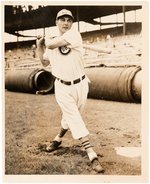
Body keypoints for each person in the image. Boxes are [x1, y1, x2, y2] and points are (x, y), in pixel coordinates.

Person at [36, 9, 104, 173]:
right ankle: (91, 154)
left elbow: (52, 44)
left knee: (71, 117)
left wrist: (47, 40)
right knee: (75, 118)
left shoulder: (74, 35)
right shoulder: (52, 40)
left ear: (72, 23)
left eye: (69, 20)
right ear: (56, 22)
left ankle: (58, 139)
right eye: (62, 20)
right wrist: (39, 46)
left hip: (81, 84)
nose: (66, 23)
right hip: (61, 86)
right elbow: (44, 63)